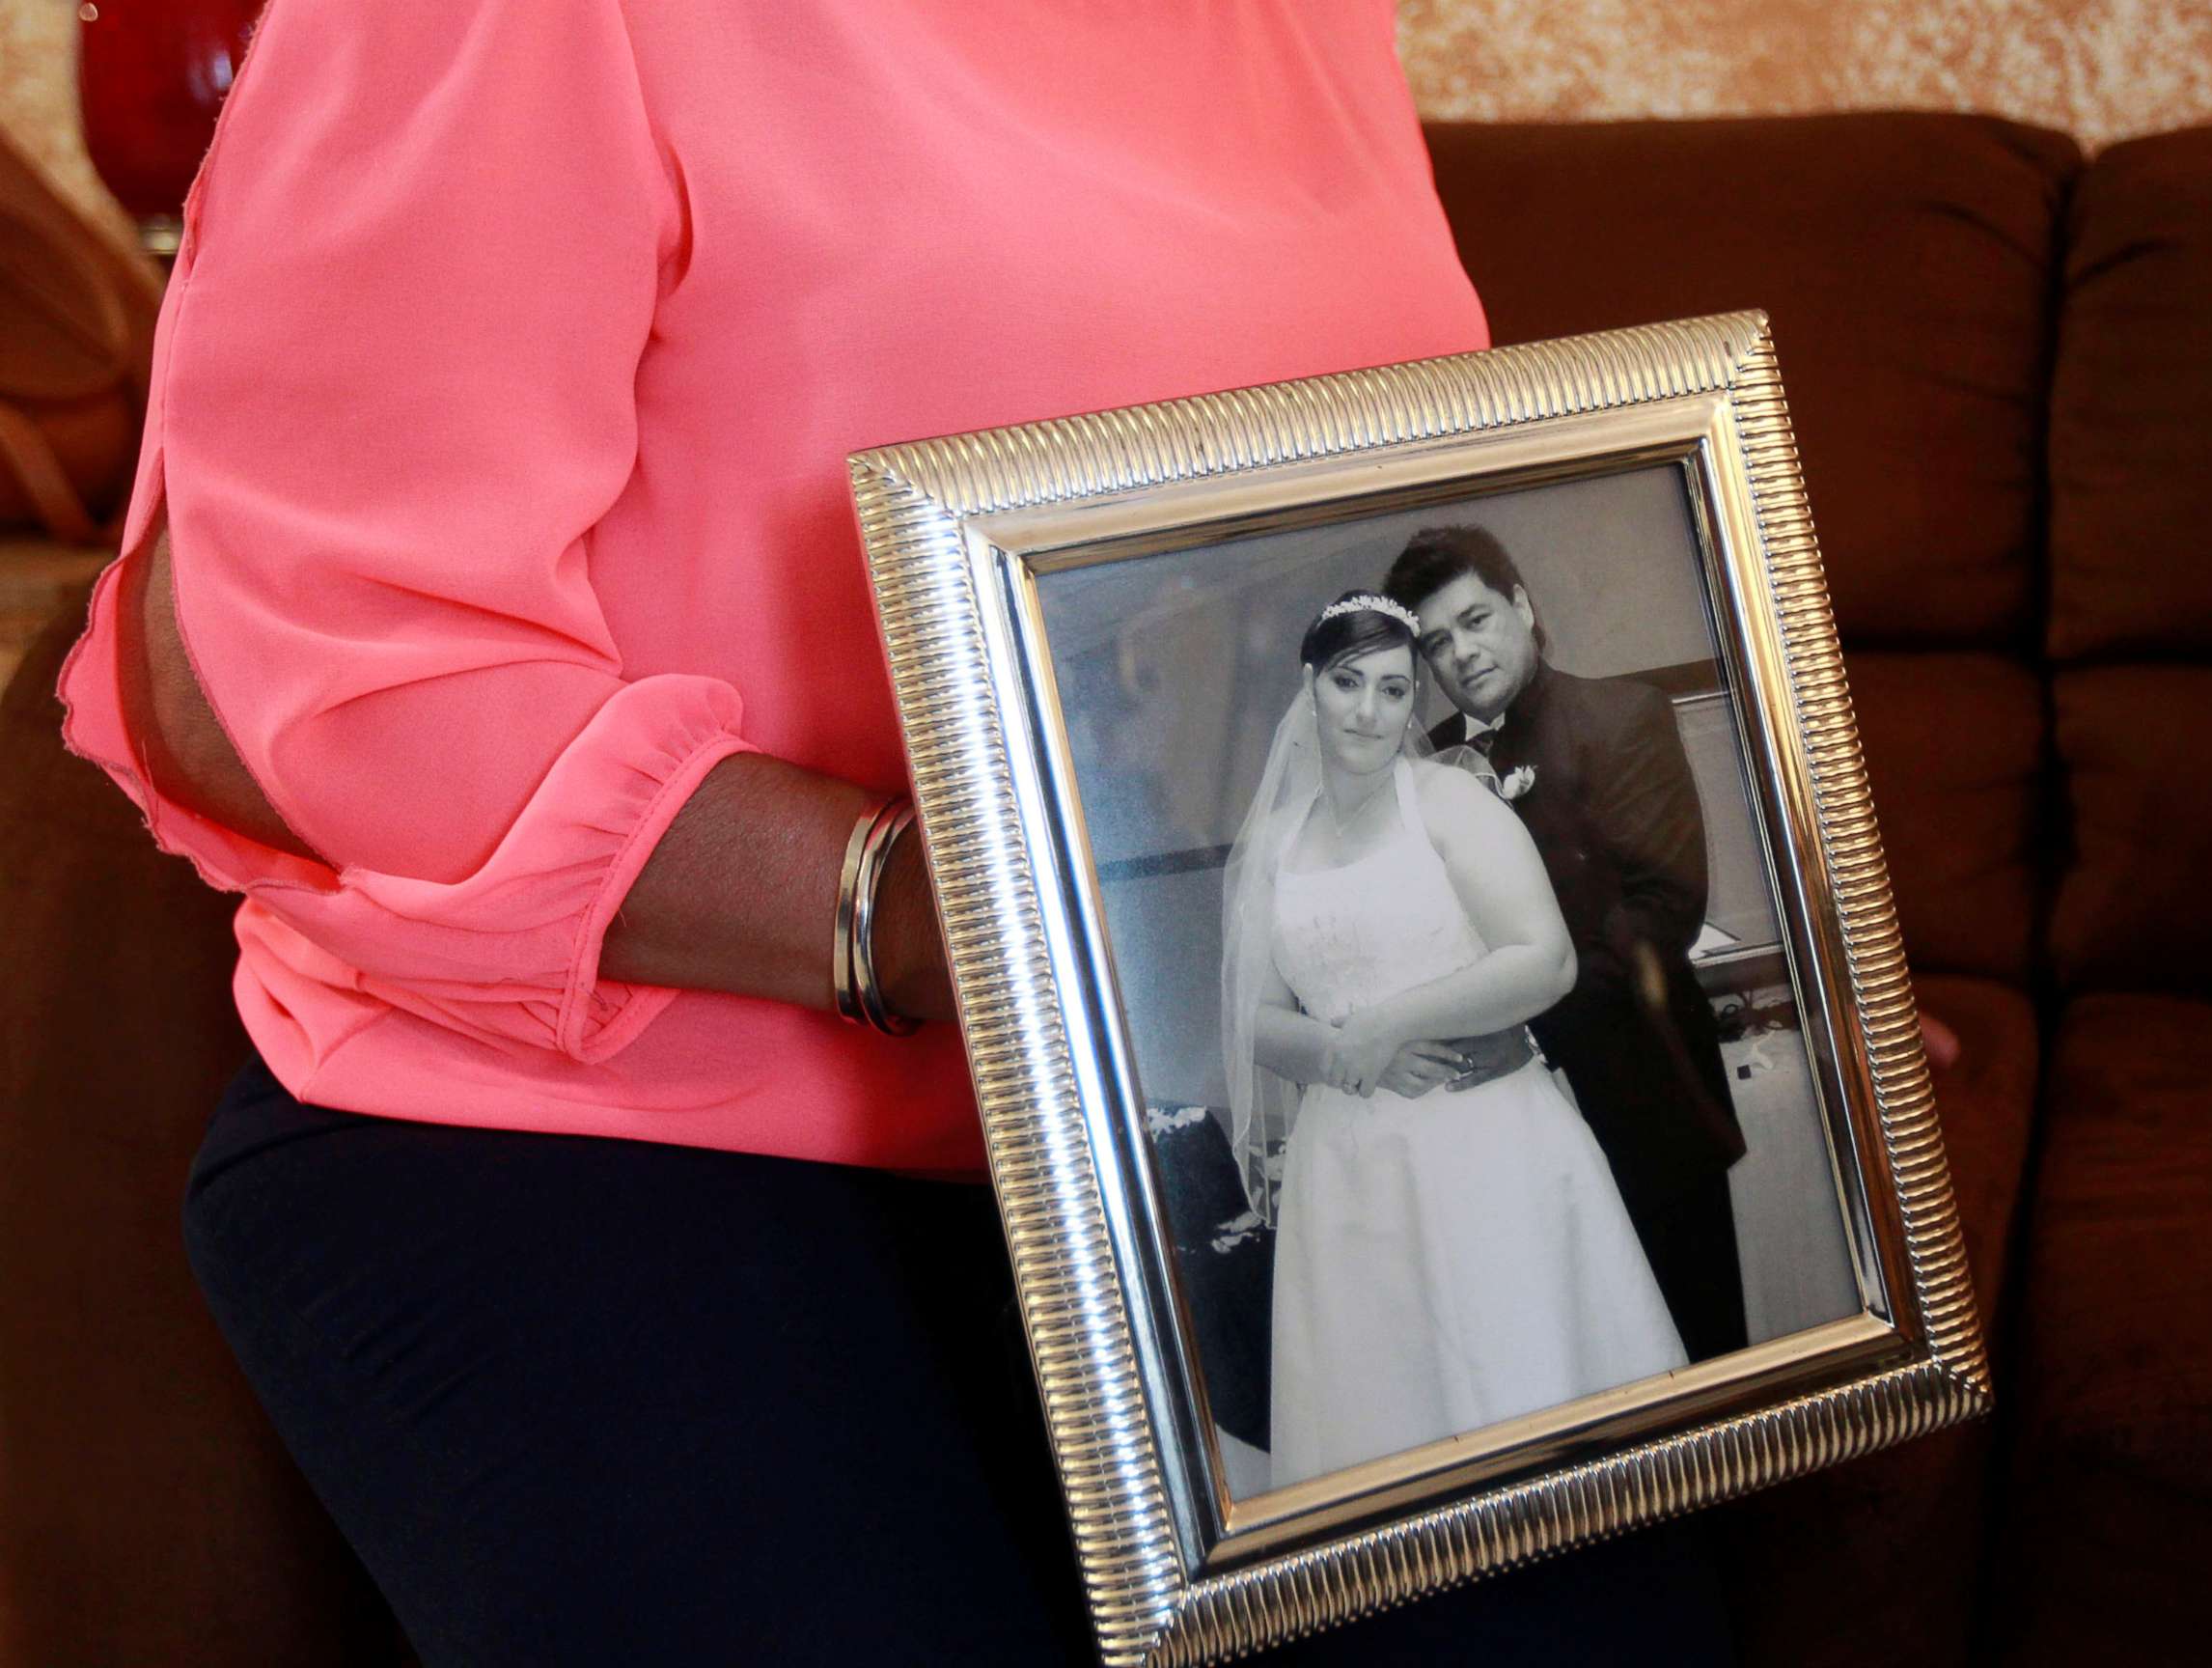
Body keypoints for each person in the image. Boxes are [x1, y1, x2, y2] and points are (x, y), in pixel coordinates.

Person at [55, 2, 1750, 1661]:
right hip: (633, 1130)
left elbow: (1342, 543)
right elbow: (320, 670)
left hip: (1146, 1128)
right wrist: (953, 905)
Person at [1223, 594, 1688, 1488]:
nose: (1369, 710)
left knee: (1522, 1376)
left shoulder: (1450, 802)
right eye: (1349, 683)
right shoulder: (1276, 846)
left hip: (1485, 1141)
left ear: (1412, 704)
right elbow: (1252, 1017)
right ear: (1309, 687)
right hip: (1351, 1165)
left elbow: (1542, 961)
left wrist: (1390, 1022)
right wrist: (1346, 1057)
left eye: (1394, 690)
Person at [1386, 525, 1754, 1362]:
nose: (1463, 653)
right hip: (1497, 1126)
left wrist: (1517, 1029)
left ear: (1523, 606)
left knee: (1695, 1359)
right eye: (1438, 643)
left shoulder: (1622, 714)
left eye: (1476, 620)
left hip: (1644, 1096)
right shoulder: (1420, 775)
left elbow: (1662, 914)